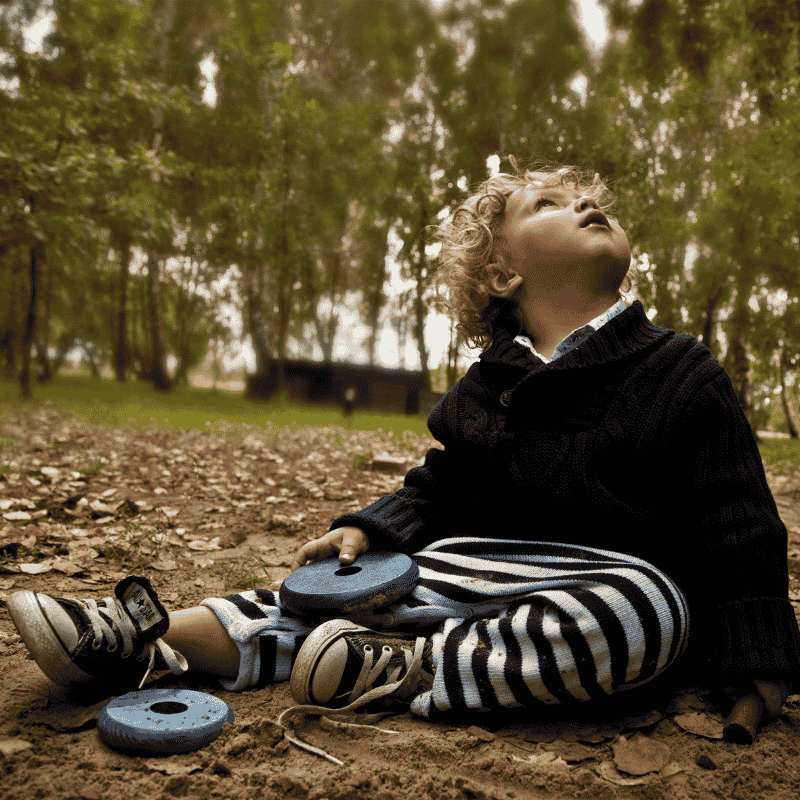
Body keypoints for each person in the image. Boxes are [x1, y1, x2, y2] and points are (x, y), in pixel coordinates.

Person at [7, 159, 798, 744]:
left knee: (644, 609)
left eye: (589, 199)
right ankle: (144, 636)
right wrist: (373, 527)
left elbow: (738, 521)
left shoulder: (681, 373)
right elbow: (441, 484)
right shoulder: (489, 387)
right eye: (549, 203)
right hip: (468, 574)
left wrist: (758, 655)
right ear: (503, 271)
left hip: (600, 593)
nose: (586, 202)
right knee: (333, 596)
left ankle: (410, 669)